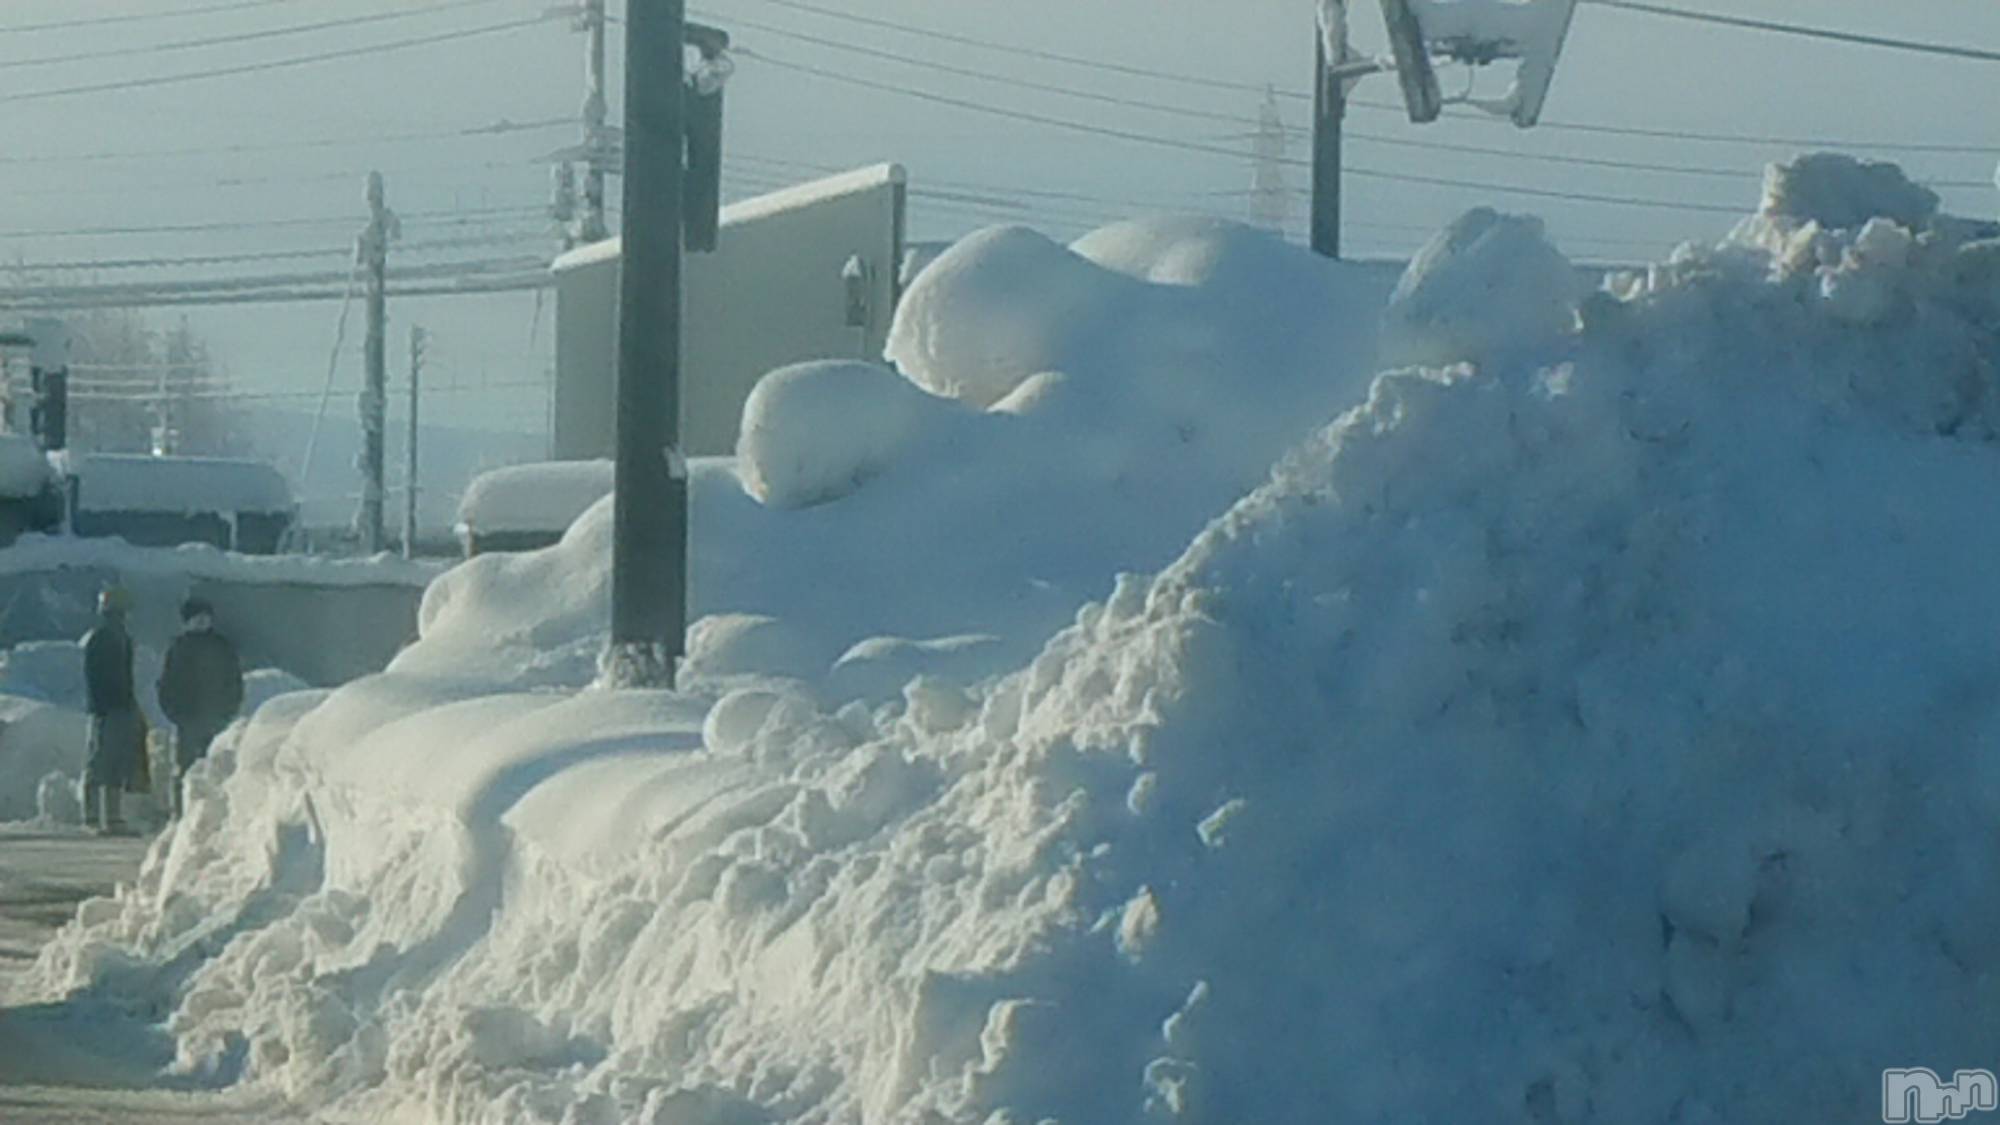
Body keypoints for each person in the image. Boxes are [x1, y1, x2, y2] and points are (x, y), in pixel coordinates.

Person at [157, 597, 243, 819]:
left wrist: (228, 709)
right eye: (197, 617)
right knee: (184, 768)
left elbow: (233, 680)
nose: (202, 621)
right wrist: (174, 712)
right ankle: (181, 813)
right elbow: (167, 683)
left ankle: (213, 814)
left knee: (214, 766)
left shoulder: (221, 646)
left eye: (206, 617)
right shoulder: (179, 647)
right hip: (187, 718)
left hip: (216, 717)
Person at [81, 586, 144, 835]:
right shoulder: (102, 638)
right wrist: (104, 706)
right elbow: (96, 677)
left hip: (117, 707)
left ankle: (110, 816)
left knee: (114, 761)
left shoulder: (119, 637)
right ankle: (95, 816)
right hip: (107, 709)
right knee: (102, 761)